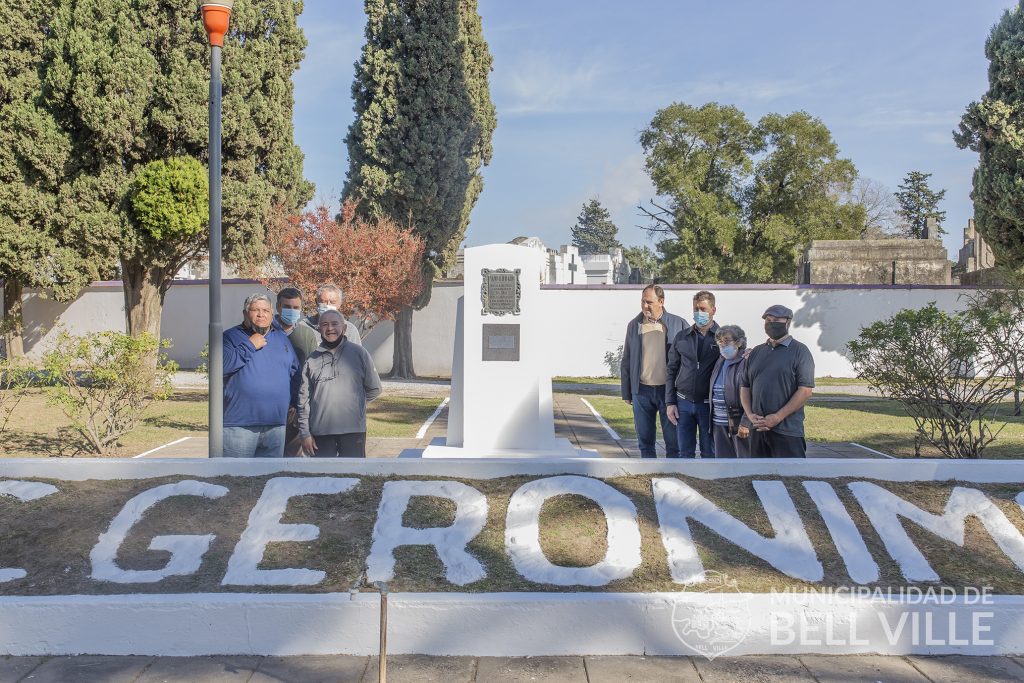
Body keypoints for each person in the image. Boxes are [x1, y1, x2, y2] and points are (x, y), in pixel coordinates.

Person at [222, 293, 300, 458]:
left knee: (271, 475)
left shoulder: (282, 339)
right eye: (255, 310)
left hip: (276, 425)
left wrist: (295, 405)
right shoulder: (230, 337)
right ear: (245, 313)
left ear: (272, 314)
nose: (261, 314)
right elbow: (221, 366)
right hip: (240, 425)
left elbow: (295, 375)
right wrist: (249, 345)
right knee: (237, 473)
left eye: (265, 310)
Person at [297, 309, 382, 458]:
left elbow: (374, 389)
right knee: (321, 473)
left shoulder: (359, 354)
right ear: (319, 329)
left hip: (353, 432)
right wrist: (305, 433)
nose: (330, 328)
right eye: (325, 324)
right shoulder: (311, 360)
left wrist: (355, 405)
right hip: (320, 434)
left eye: (335, 324)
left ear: (344, 327)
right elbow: (304, 401)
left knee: (353, 472)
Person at [740, 305, 815, 458]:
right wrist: (749, 415)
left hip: (787, 431)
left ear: (788, 322)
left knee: (790, 473)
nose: (771, 323)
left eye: (776, 320)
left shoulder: (800, 351)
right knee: (758, 473)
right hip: (757, 429)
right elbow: (745, 387)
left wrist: (777, 417)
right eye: (768, 320)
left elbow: (805, 391)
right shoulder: (756, 352)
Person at [620, 284, 686, 458]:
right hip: (642, 391)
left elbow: (689, 357)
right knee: (645, 441)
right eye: (643, 301)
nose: (645, 306)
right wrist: (626, 391)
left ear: (661, 301)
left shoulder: (678, 323)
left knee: (673, 441)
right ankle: (648, 470)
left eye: (649, 302)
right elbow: (627, 359)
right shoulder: (634, 325)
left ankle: (673, 471)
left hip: (668, 392)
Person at [666, 290, 720, 458]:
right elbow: (671, 370)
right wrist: (670, 402)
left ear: (713, 310)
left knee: (709, 454)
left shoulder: (723, 338)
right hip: (683, 403)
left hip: (709, 406)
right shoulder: (682, 337)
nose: (699, 313)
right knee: (685, 454)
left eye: (703, 309)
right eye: (696, 309)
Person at [707, 324, 751, 458]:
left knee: (743, 460)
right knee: (722, 462)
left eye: (727, 341)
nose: (722, 345)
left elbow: (753, 395)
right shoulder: (720, 360)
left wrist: (746, 422)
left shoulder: (747, 361)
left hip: (738, 421)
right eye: (720, 341)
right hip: (718, 421)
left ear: (739, 342)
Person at [274, 286, 318, 368]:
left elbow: (314, 365)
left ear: (300, 308)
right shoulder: (266, 331)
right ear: (277, 306)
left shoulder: (307, 334)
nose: (292, 311)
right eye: (287, 307)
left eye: (296, 308)